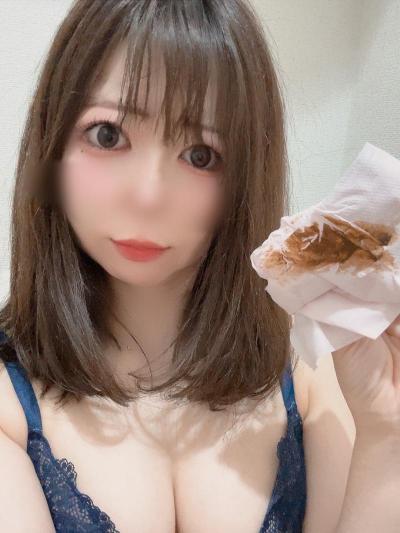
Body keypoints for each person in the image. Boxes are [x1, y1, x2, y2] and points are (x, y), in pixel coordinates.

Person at [0, 1, 399, 532]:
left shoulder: (311, 377)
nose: (148, 196)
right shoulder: (9, 404)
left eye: (201, 155)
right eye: (107, 135)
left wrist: (386, 431)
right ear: (52, 143)